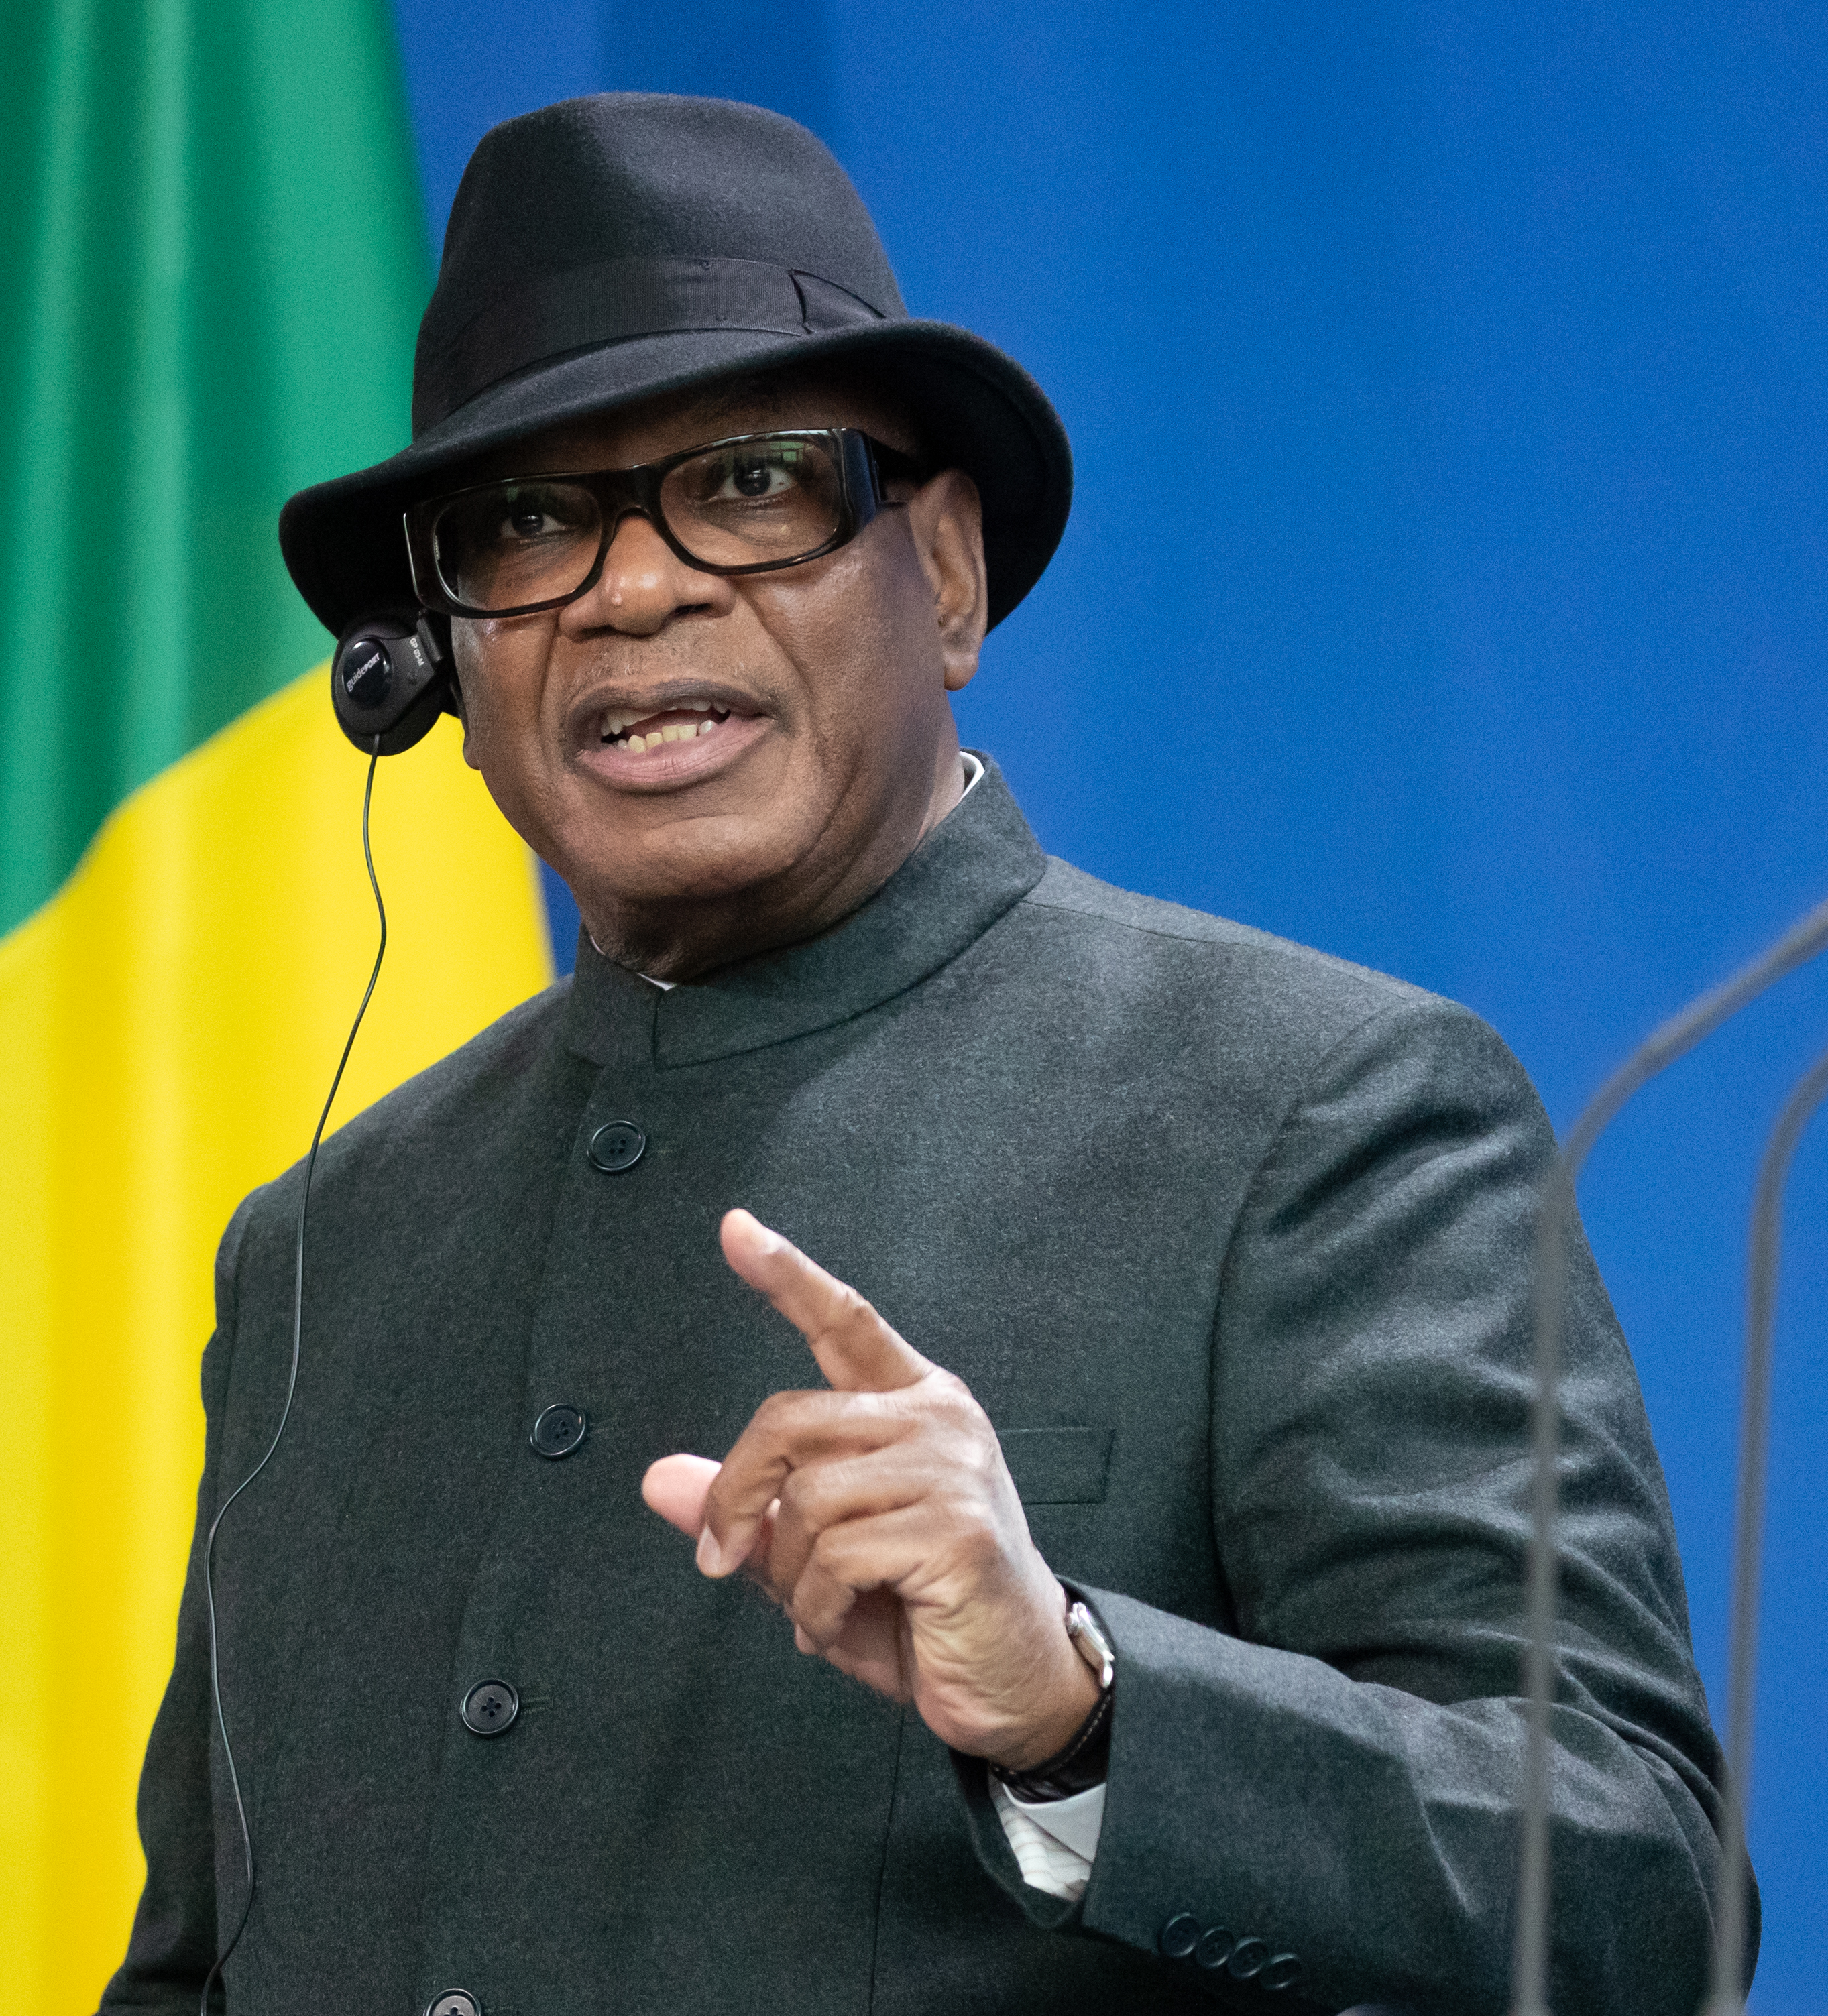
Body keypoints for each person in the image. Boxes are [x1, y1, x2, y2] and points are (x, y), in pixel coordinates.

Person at [98, 93, 1735, 2015]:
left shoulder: (1318, 1113)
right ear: (437, 677)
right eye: (527, 525)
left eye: (752, 485)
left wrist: (1073, 1704)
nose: (632, 588)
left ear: (945, 576)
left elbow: (1631, 1893)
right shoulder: (320, 1242)